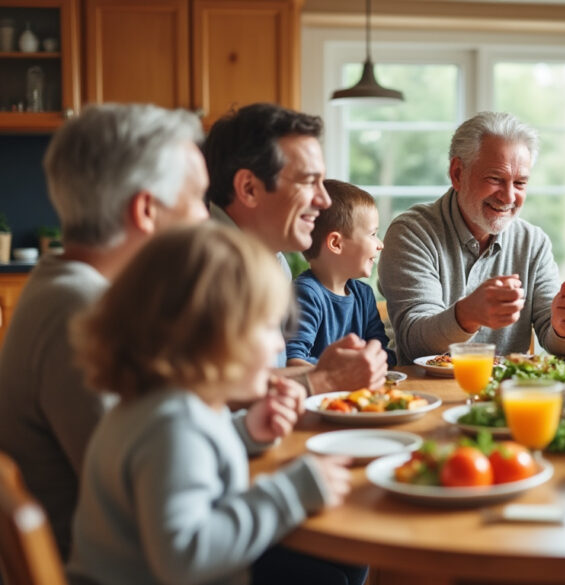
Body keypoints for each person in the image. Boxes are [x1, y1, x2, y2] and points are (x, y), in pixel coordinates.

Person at [66, 224, 367, 585]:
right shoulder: (171, 427)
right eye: (269, 327)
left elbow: (194, 455)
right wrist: (291, 491)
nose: (277, 347)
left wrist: (246, 431)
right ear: (212, 333)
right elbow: (184, 557)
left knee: (348, 562)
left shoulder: (165, 405)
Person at [0, 103, 209, 559]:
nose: (205, 221)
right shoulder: (84, 314)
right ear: (147, 210)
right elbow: (151, 492)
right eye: (197, 199)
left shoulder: (64, 281)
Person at [203, 103, 388, 393]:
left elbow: (263, 378)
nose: (324, 200)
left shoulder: (274, 262)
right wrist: (323, 379)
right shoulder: (201, 267)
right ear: (249, 188)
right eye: (308, 181)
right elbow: (204, 390)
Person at [378, 111, 565, 364]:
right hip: (427, 394)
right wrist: (467, 314)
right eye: (495, 179)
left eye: (520, 183)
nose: (509, 197)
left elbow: (561, 341)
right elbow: (414, 342)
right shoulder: (411, 233)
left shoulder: (533, 243)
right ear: (457, 173)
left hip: (507, 395)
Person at [286, 179, 396, 368]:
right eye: (372, 234)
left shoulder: (364, 295)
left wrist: (372, 360)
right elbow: (294, 361)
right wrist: (348, 369)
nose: (380, 244)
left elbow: (382, 352)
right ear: (336, 244)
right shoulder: (305, 294)